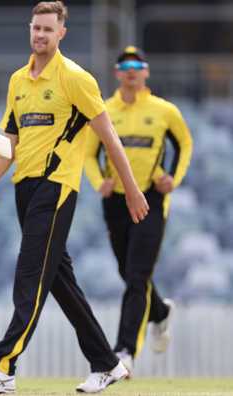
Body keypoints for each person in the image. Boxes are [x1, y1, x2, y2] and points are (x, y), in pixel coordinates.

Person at [0, 2, 149, 394]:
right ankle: (107, 362)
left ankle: (2, 366)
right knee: (59, 280)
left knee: (30, 272)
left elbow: (110, 139)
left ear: (62, 32)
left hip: (57, 185)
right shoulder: (18, 80)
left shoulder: (75, 78)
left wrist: (131, 189)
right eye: (36, 28)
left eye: (48, 29)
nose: (40, 35)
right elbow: (11, 139)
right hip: (24, 187)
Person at [83, 46, 193, 377]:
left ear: (146, 71)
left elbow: (184, 144)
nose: (131, 70)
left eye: (137, 65)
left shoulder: (164, 110)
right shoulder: (103, 110)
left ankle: (125, 351)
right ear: (117, 73)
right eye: (125, 65)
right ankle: (158, 312)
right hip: (115, 201)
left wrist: (174, 177)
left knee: (136, 276)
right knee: (128, 271)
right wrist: (97, 181)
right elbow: (89, 153)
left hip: (150, 199)